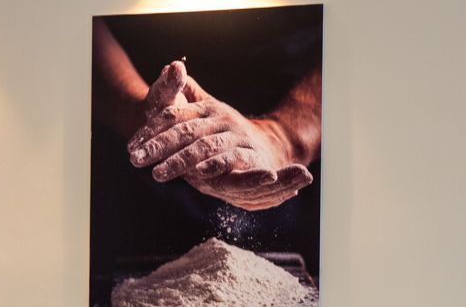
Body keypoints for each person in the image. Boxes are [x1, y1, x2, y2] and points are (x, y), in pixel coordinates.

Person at [92, 21, 322, 212]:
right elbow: (81, 15)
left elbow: (351, 24)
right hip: (135, 142)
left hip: (293, 114)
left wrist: (283, 135)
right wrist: (140, 108)